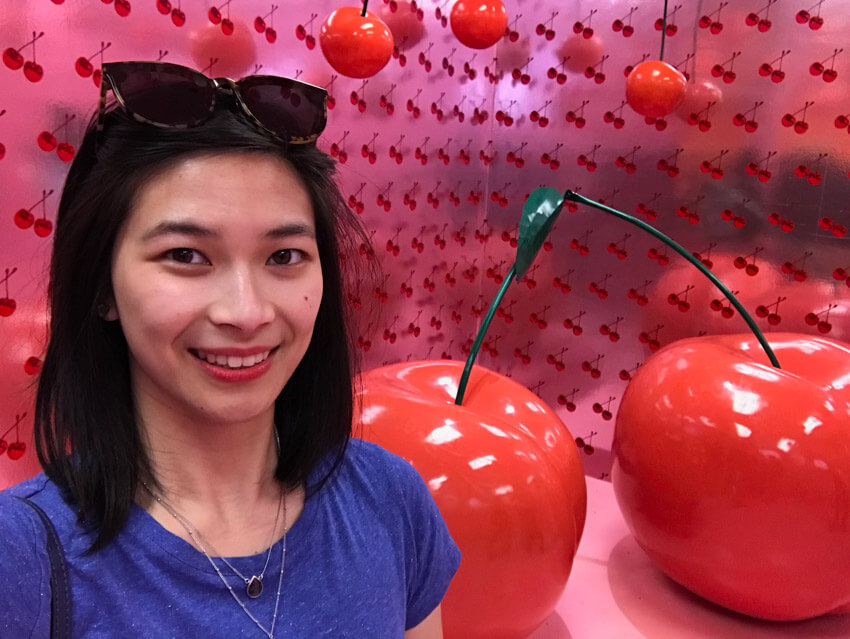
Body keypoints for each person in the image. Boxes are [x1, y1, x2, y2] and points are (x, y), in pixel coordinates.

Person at [0, 61, 461, 638]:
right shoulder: (22, 559)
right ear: (101, 287)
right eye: (186, 255)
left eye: (284, 257)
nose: (246, 313)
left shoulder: (392, 501)